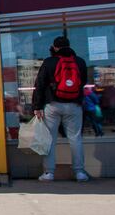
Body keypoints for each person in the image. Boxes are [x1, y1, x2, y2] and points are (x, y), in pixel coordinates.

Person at [32, 36, 89, 182]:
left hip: (53, 105)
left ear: (55, 47)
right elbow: (82, 82)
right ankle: (80, 172)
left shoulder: (49, 62)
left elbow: (40, 84)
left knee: (50, 139)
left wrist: (37, 106)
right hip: (74, 105)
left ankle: (49, 173)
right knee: (75, 139)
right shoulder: (80, 61)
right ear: (69, 46)